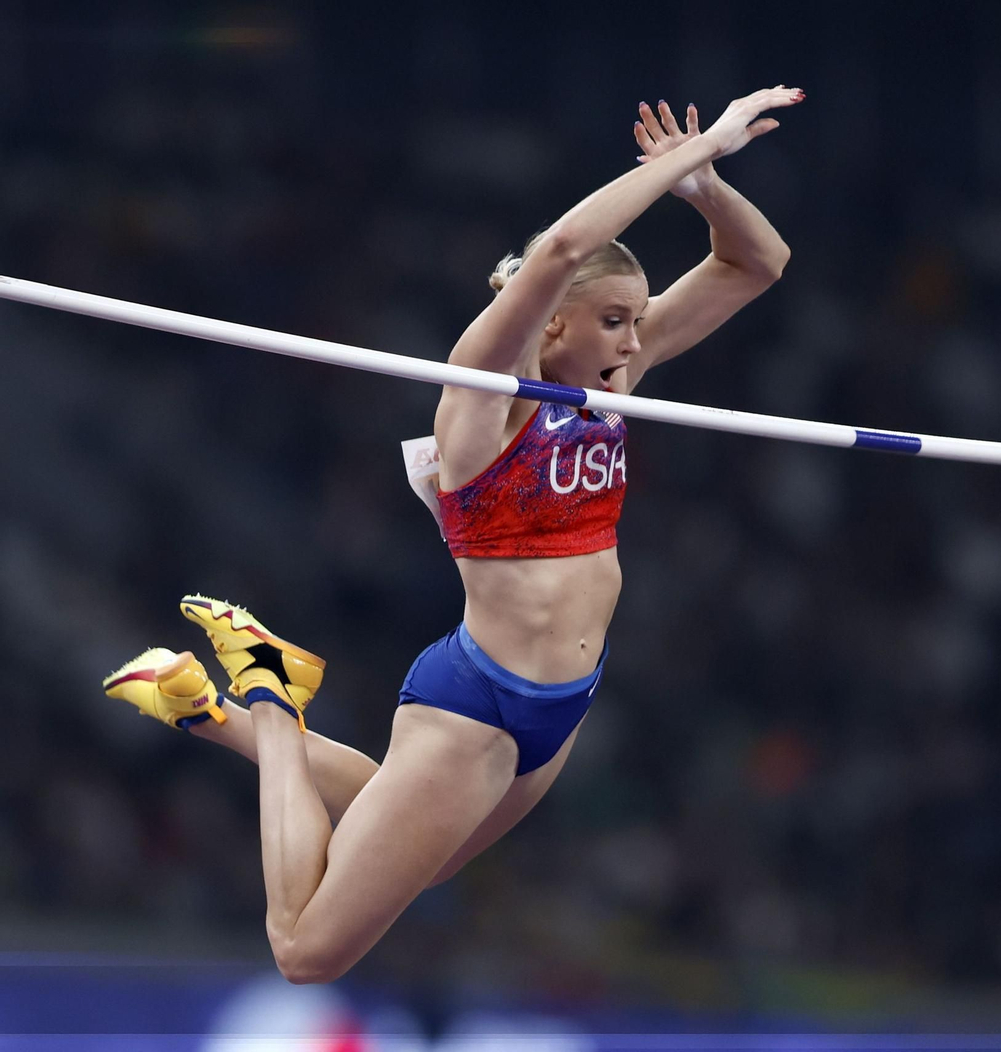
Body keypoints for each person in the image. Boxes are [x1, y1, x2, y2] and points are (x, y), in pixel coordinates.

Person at [101, 84, 803, 984]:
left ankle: (209, 712)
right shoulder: (478, 400)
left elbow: (759, 264)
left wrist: (703, 186)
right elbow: (561, 247)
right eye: (616, 320)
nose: (636, 340)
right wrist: (675, 159)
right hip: (475, 705)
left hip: (562, 705)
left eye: (637, 321)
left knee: (409, 848)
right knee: (305, 952)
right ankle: (272, 705)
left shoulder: (613, 378)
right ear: (552, 322)